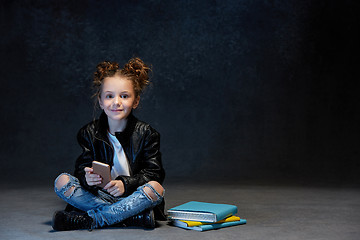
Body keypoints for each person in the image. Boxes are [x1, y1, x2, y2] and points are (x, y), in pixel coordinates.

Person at [52, 57, 166, 231]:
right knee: (62, 181)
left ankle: (91, 219)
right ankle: (132, 217)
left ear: (135, 101)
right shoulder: (88, 133)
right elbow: (82, 167)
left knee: (155, 189)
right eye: (109, 96)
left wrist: (125, 184)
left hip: (132, 197)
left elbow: (154, 173)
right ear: (100, 101)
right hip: (100, 196)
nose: (116, 102)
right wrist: (87, 177)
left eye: (124, 96)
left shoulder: (147, 133)